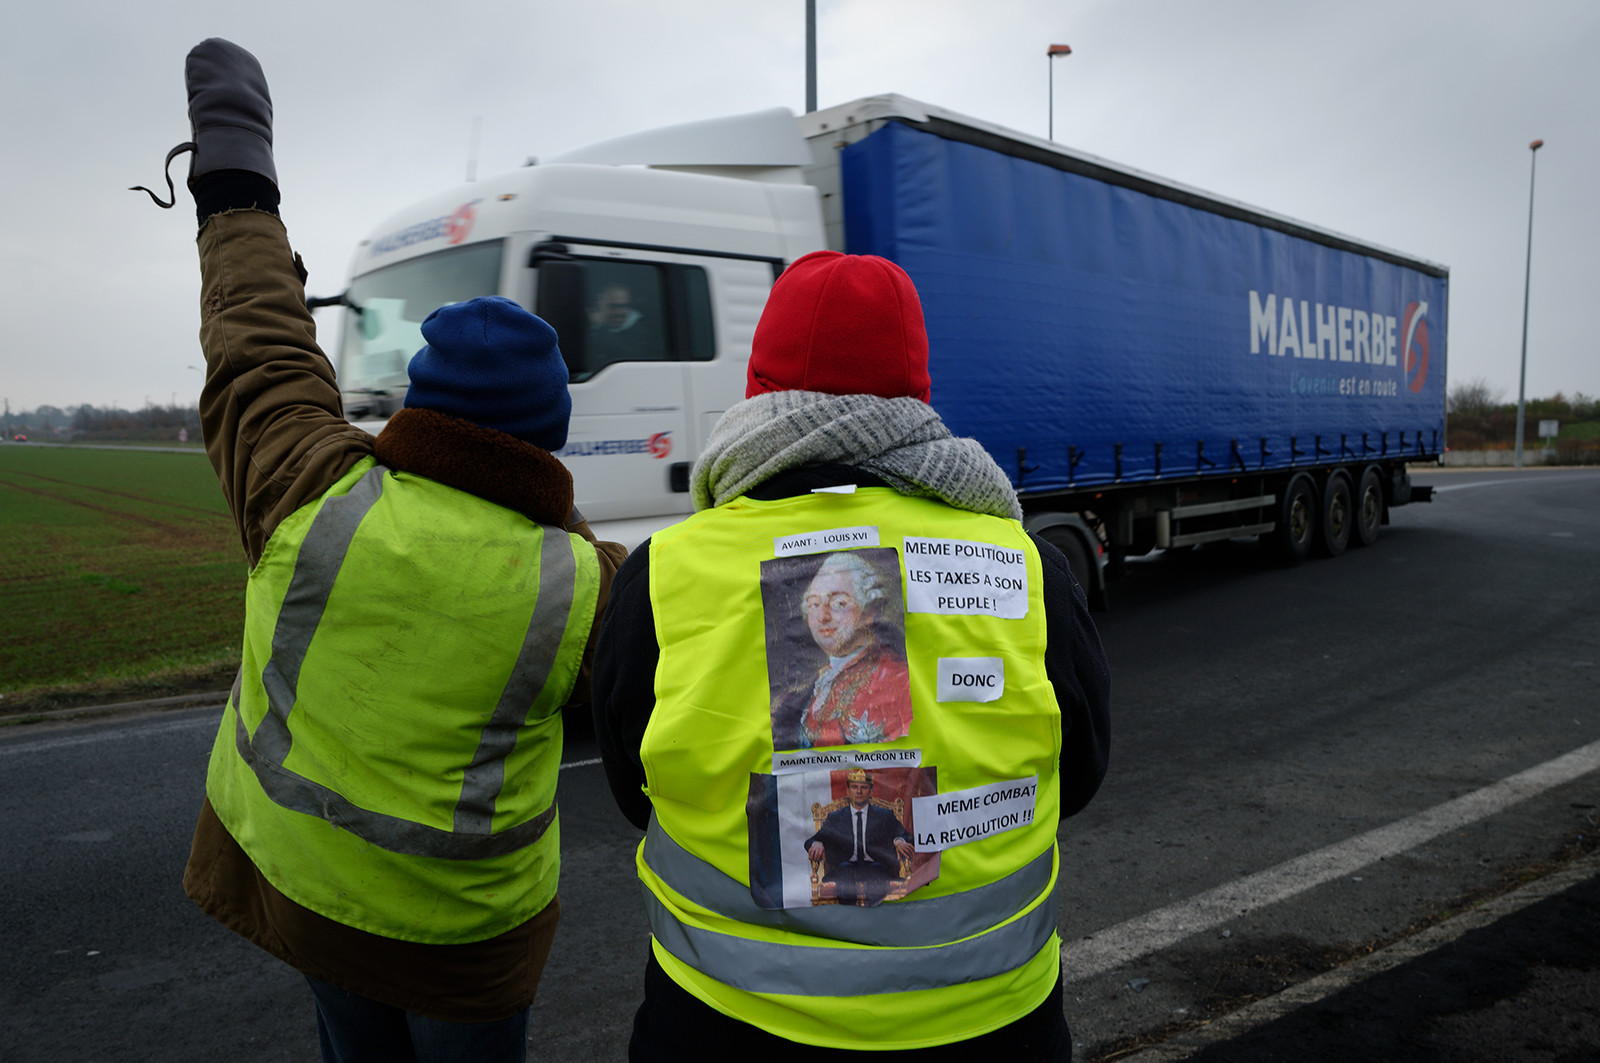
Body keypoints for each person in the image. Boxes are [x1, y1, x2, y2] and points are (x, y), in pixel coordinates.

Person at [135, 39, 625, 1062]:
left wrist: (236, 177)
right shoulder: (582, 583)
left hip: (306, 892)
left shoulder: (311, 488)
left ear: (418, 403)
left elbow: (260, 342)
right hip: (464, 949)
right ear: (548, 437)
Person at [593, 249, 1111, 1059]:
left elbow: (634, 788)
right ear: (916, 396)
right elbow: (1078, 772)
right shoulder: (1027, 564)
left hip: (727, 1023)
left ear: (760, 391)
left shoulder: (664, 572)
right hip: (991, 1022)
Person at [772, 550, 912, 749]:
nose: (823, 616)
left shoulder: (900, 682)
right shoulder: (806, 689)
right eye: (814, 604)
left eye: (839, 603)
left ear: (869, 612)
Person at [804, 769, 914, 906]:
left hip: (877, 866)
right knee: (845, 874)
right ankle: (849, 916)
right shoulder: (836, 818)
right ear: (848, 791)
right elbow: (811, 840)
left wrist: (899, 840)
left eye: (864, 787)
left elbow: (907, 836)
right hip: (845, 867)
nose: (859, 791)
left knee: (876, 877)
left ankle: (873, 915)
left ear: (871, 791)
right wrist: (817, 843)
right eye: (854, 787)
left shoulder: (884, 815)